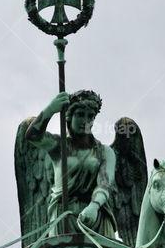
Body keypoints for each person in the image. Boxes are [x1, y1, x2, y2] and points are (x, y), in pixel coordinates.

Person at [26, 89, 116, 237]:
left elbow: (104, 183)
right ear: (69, 116)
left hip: (96, 217)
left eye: (90, 116)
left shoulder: (105, 152)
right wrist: (50, 109)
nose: (86, 121)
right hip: (64, 216)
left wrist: (94, 206)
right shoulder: (58, 146)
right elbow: (33, 136)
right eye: (80, 114)